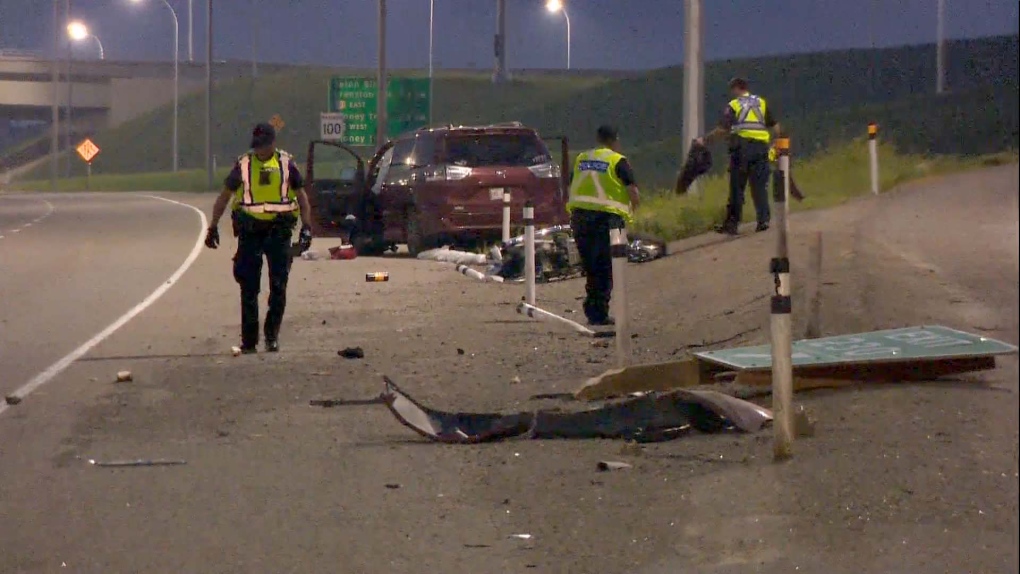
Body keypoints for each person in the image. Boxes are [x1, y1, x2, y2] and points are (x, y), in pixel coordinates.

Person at [204, 123, 314, 354]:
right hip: (250, 230)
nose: (260, 151)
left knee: (278, 285)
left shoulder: (285, 164)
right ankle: (249, 341)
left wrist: (306, 227)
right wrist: (212, 226)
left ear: (273, 143)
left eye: (264, 146)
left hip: (279, 230)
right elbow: (224, 196)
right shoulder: (244, 164)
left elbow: (302, 197)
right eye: (257, 147)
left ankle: (271, 336)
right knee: (248, 286)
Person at [566, 125, 641, 326]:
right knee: (606, 267)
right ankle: (599, 313)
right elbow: (633, 191)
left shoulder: (582, 158)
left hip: (580, 218)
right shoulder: (618, 160)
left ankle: (593, 311)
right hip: (607, 220)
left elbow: (571, 184)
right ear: (615, 140)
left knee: (591, 267)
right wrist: (634, 212)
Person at [696, 77, 782, 235]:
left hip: (741, 149)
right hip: (761, 149)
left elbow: (722, 129)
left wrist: (705, 140)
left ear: (736, 89)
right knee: (759, 187)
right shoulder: (761, 103)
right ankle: (763, 221)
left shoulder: (734, 105)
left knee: (737, 188)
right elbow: (776, 127)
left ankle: (732, 224)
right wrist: (777, 147)